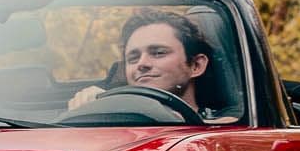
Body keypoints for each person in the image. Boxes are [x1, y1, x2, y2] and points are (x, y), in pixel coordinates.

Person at [67, 10, 212, 114]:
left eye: (158, 53)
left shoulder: (221, 131)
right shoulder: (113, 122)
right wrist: (89, 110)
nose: (141, 64)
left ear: (196, 66)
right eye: (133, 58)